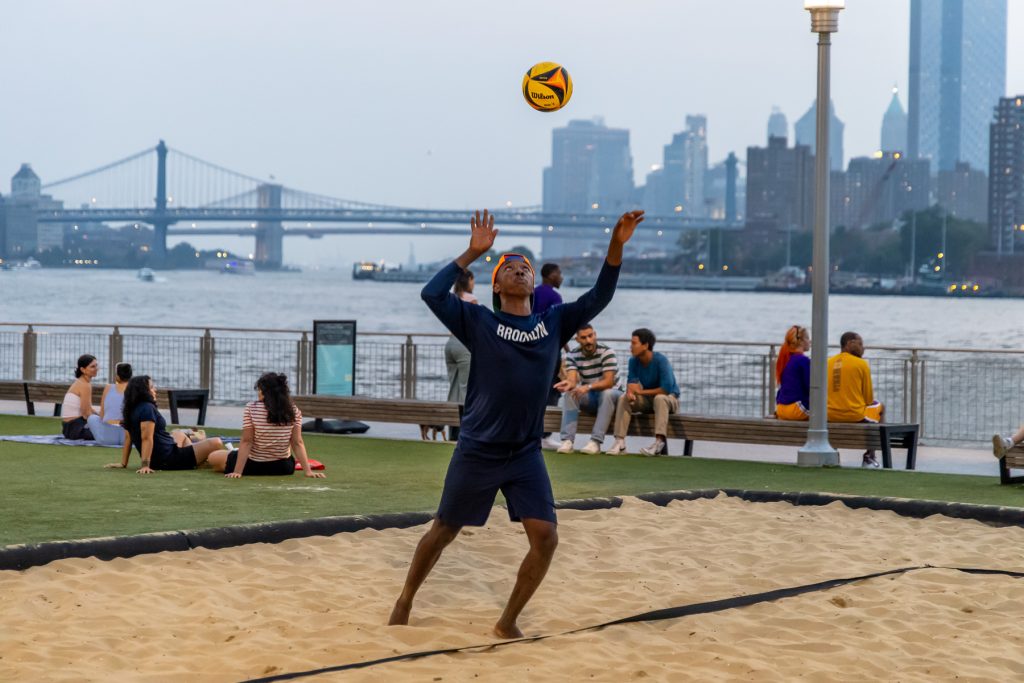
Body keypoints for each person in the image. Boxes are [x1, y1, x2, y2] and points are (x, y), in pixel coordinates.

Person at [388, 208, 643, 639]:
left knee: (546, 538)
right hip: (478, 448)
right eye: (511, 268)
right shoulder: (479, 320)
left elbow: (600, 295)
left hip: (524, 452)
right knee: (443, 531)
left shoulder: (553, 323)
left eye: (525, 268)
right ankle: (406, 598)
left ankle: (507, 622)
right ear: (496, 284)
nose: (521, 271)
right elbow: (431, 295)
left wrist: (616, 245)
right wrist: (472, 252)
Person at [209, 372, 325, 478]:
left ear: (265, 392)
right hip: (283, 467)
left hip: (252, 465)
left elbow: (247, 442)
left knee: (213, 456)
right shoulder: (293, 410)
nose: (258, 392)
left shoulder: (251, 408)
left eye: (259, 390)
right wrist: (308, 471)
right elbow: (297, 443)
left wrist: (238, 472)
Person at [107, 375, 227, 474]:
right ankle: (197, 461)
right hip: (168, 459)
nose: (155, 390)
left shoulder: (131, 409)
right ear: (144, 391)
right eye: (152, 387)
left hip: (166, 452)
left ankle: (196, 461)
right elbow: (146, 438)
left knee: (178, 433)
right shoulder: (147, 409)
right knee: (216, 442)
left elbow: (128, 437)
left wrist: (124, 463)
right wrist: (145, 465)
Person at [609, 329, 680, 456]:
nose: (630, 346)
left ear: (646, 345)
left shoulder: (661, 360)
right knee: (623, 398)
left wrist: (640, 392)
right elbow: (631, 385)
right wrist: (630, 394)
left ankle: (659, 443)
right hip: (648, 400)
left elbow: (666, 389)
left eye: (634, 343)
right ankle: (620, 442)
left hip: (670, 399)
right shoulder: (633, 361)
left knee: (660, 398)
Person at [553, 324, 623, 454]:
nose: (588, 340)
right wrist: (567, 384)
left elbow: (609, 382)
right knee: (570, 394)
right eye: (584, 338)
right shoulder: (572, 355)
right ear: (577, 339)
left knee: (606, 393)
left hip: (614, 396)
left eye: (590, 336)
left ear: (595, 335)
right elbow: (573, 380)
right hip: (592, 396)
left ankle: (595, 442)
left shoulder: (607, 352)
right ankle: (567, 441)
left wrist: (588, 386)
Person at [827, 331, 885, 468]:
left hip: (829, 415)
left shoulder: (828, 362)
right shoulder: (861, 364)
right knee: (881, 407)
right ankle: (870, 456)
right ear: (849, 344)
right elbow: (868, 399)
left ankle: (832, 452)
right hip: (854, 415)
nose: (863, 348)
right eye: (860, 344)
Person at [442, 268, 478, 442]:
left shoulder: (452, 298)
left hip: (450, 344)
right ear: (469, 280)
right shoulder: (471, 300)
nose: (474, 283)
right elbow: (477, 324)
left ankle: (452, 433)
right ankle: (464, 434)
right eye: (473, 280)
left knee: (454, 389)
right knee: (466, 390)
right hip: (464, 344)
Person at [535, 263, 565, 447]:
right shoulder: (555, 296)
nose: (561, 277)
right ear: (550, 275)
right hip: (550, 348)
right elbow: (557, 323)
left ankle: (533, 430)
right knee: (554, 389)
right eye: (559, 273)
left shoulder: (533, 293)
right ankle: (545, 434)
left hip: (532, 346)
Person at [86, 362, 132, 446]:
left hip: (106, 438)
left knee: (92, 418)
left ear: (117, 375)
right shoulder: (135, 390)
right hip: (127, 438)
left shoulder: (108, 387)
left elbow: (102, 415)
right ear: (130, 375)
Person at [775, 326, 811, 421]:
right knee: (824, 411)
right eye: (807, 338)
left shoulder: (785, 359)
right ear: (801, 341)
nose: (809, 341)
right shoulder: (804, 361)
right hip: (796, 410)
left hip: (780, 408)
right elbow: (810, 387)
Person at [61, 354, 99, 440]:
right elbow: (86, 414)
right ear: (83, 369)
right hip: (76, 429)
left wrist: (100, 416)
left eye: (96, 365)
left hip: (69, 429)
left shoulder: (81, 382)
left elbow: (88, 409)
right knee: (107, 434)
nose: (96, 368)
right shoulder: (85, 385)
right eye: (92, 366)